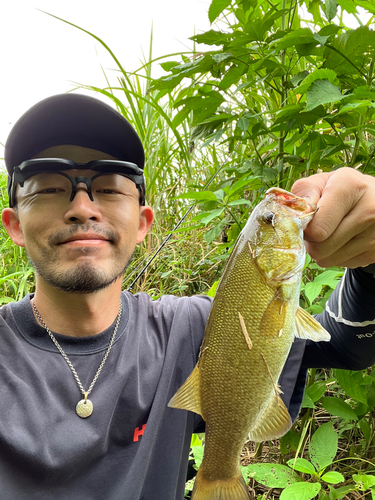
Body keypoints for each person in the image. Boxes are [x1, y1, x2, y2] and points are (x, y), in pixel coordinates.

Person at [1, 93, 375, 500]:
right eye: (50, 187)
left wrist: (371, 262)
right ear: (15, 224)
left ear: (143, 223)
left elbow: (347, 347)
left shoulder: (195, 329)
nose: (82, 207)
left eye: (109, 188)